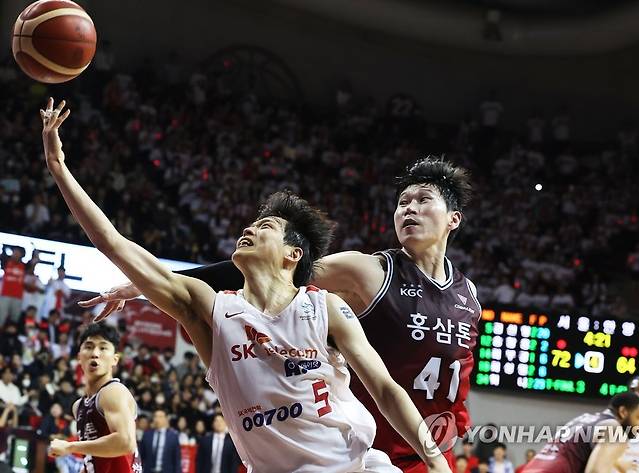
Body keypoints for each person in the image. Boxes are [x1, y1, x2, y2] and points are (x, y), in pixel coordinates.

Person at [40, 98, 450, 473]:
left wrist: (436, 460)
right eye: (251, 223)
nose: (250, 228)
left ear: (293, 255)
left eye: (266, 226)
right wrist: (59, 168)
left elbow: (384, 388)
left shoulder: (324, 307)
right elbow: (114, 243)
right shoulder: (212, 309)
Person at [47, 323, 141, 473]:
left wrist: (70, 447)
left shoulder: (113, 392)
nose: (95, 353)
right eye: (89, 347)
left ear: (115, 359)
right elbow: (93, 459)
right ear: (79, 357)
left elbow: (125, 442)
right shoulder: (79, 406)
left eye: (103, 348)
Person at [522, 392, 639, 473]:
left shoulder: (585, 418)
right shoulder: (614, 428)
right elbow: (596, 471)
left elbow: (576, 453)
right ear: (623, 412)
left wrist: (618, 465)